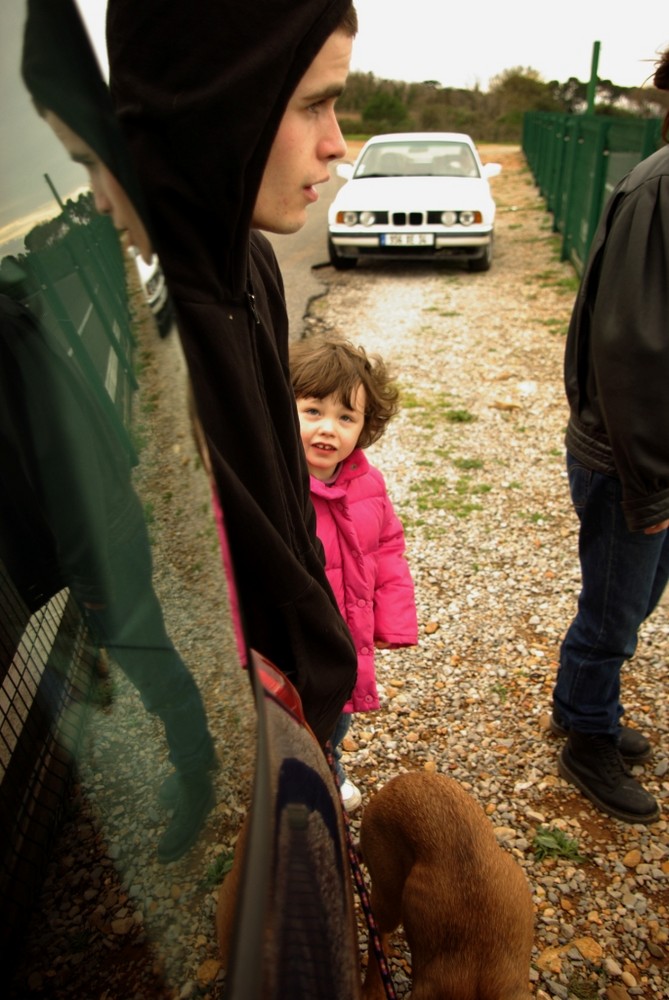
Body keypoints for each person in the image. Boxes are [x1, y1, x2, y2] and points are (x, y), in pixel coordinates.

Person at [106, 0, 360, 749]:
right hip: (227, 736)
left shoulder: (248, 259)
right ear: (220, 103)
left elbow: (278, 480)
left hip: (301, 703)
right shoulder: (135, 320)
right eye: (313, 103)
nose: (337, 145)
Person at [19, 0, 216, 863]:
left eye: (92, 163)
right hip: (67, 518)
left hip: (93, 511)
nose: (97, 204)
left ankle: (202, 771)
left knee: (139, 638)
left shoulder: (206, 277)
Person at [551, 48, 669, 825]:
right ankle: (584, 738)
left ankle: (578, 706)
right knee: (613, 611)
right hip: (632, 458)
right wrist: (651, 481)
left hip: (648, 456)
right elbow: (632, 350)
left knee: (631, 600)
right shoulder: (662, 187)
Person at [290, 335, 418, 811]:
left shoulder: (368, 482)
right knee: (299, 721)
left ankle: (331, 766)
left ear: (365, 427)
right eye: (312, 411)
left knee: (339, 717)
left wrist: (393, 619)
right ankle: (311, 780)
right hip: (299, 643)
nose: (329, 429)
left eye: (346, 418)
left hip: (348, 635)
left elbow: (388, 547)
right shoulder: (279, 489)